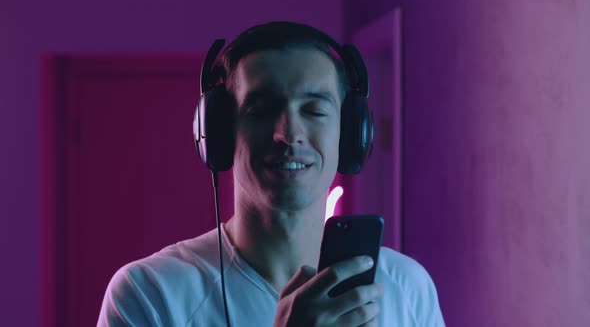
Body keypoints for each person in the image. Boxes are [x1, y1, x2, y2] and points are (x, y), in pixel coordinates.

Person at [98, 21, 445, 327]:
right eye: (261, 110)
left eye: (314, 110)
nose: (288, 133)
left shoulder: (407, 287)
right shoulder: (150, 294)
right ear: (219, 132)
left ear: (352, 134)